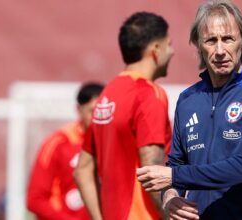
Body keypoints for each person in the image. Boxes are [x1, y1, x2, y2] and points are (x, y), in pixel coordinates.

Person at [136, 0, 242, 219]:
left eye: (228, 39)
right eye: (211, 40)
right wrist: (170, 196)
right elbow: (177, 163)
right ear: (199, 46)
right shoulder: (188, 99)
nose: (220, 50)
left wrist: (174, 176)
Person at [74, 12, 174, 220]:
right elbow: (152, 171)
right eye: (169, 44)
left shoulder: (108, 93)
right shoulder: (149, 94)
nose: (172, 52)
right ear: (156, 50)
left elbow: (82, 171)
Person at [26, 82, 104, 220]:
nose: (97, 118)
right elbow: (35, 200)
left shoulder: (114, 144)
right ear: (79, 110)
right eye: (92, 112)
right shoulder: (58, 144)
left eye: (102, 112)